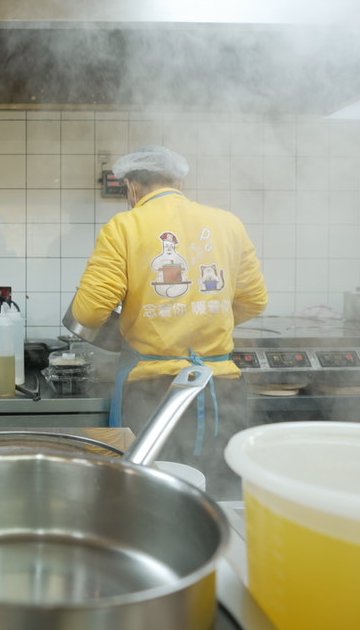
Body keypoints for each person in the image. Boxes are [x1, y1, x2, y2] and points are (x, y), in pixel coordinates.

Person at [71, 145, 268, 498]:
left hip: (154, 391)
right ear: (179, 180)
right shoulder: (228, 223)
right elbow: (255, 301)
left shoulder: (125, 226)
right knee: (217, 498)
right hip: (220, 386)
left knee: (149, 497)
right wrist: (202, 317)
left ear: (130, 186)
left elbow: (88, 314)